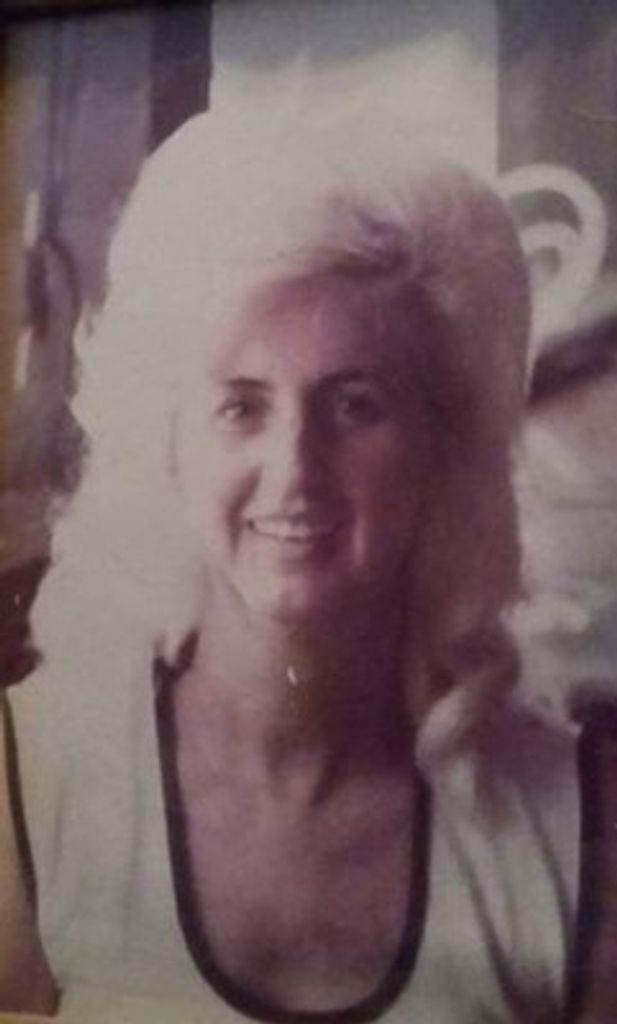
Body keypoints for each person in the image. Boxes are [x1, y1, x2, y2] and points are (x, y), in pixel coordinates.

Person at [0, 113, 582, 1023]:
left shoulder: (570, 817)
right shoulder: (31, 779)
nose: (294, 473)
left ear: (444, 447)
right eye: (240, 406)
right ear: (168, 441)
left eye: (355, 405)